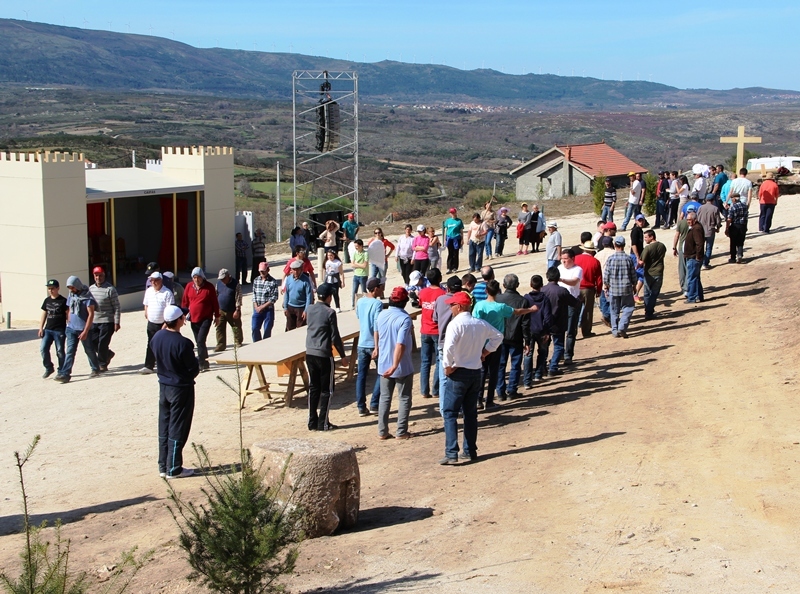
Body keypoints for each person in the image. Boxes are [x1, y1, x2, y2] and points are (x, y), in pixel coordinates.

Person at [439, 291, 503, 465]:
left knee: (450, 412)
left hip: (459, 372)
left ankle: (452, 452)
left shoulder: (455, 325)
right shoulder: (479, 324)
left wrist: (447, 367)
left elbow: (449, 348)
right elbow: (498, 336)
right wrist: (485, 352)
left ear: (459, 307)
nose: (450, 308)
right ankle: (470, 450)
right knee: (470, 414)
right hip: (475, 372)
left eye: (452, 305)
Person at [151, 304, 199, 479]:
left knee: (164, 426)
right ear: (180, 320)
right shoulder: (183, 343)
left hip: (164, 385)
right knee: (178, 427)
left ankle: (164, 465)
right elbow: (193, 368)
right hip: (180, 388)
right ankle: (174, 468)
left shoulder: (157, 337)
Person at [305, 283, 349, 431]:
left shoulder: (309, 309)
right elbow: (335, 336)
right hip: (324, 353)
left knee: (314, 388)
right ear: (329, 297)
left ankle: (312, 421)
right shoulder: (330, 312)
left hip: (310, 352)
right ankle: (323, 423)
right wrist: (343, 355)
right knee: (327, 390)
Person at [376, 286, 415, 440]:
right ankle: (401, 431)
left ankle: (382, 431)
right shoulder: (404, 319)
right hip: (401, 365)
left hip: (384, 363)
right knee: (404, 398)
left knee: (385, 398)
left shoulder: (381, 315)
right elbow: (400, 344)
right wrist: (395, 365)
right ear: (405, 302)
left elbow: (377, 334)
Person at [57, 276, 99, 383]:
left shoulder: (87, 298)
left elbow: (91, 315)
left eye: (73, 287)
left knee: (89, 350)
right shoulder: (71, 295)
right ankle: (65, 373)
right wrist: (69, 322)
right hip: (71, 329)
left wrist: (85, 331)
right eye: (69, 288)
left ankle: (95, 368)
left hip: (84, 329)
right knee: (70, 351)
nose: (71, 290)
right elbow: (69, 309)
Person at [433, 276, 463, 415]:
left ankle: (444, 409)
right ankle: (459, 407)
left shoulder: (440, 299)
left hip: (443, 342)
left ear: (448, 288)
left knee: (444, 378)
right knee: (460, 377)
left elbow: (435, 318)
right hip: (459, 343)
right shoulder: (463, 300)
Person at [495, 274, 528, 400]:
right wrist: (527, 340)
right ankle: (512, 390)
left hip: (500, 337)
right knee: (515, 364)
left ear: (504, 285)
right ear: (517, 285)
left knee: (500, 365)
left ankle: (500, 392)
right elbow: (525, 324)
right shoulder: (523, 301)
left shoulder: (497, 299)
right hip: (516, 336)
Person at [181, 267, 219, 372]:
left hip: (206, 318)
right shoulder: (189, 286)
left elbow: (214, 302)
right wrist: (183, 315)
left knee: (201, 340)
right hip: (193, 318)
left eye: (198, 277)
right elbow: (184, 302)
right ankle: (205, 362)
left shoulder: (209, 287)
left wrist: (217, 316)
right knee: (199, 342)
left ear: (202, 277)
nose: (196, 280)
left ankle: (202, 363)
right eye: (194, 277)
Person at [355, 278, 383, 415]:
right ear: (375, 289)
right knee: (382, 373)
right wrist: (377, 347)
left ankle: (361, 406)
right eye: (381, 286)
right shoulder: (377, 303)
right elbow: (377, 326)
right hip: (373, 343)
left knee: (361, 375)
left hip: (361, 343)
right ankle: (374, 403)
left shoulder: (360, 301)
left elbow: (358, 317)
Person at [540, 267, 576, 376]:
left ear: (547, 277)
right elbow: (574, 302)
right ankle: (553, 367)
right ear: (558, 277)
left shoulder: (542, 290)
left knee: (543, 346)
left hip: (544, 323)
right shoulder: (562, 291)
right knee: (559, 346)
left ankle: (542, 367)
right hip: (558, 323)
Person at [419, 268, 446, 401]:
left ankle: (424, 390)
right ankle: (436, 389)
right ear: (440, 278)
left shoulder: (422, 292)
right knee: (439, 360)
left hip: (425, 329)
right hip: (437, 330)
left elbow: (420, 305)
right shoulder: (442, 293)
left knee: (425, 361)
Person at [522, 275, 554, 385]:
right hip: (542, 330)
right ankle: (538, 375)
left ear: (531, 284)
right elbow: (548, 317)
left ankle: (527, 381)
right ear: (541, 285)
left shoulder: (526, 298)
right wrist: (547, 331)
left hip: (529, 330)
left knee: (528, 354)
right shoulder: (545, 299)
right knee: (542, 352)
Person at [142, 271, 176, 374]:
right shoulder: (149, 291)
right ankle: (149, 365)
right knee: (151, 344)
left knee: (164, 345)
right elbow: (146, 304)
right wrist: (146, 313)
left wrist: (166, 323)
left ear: (160, 280)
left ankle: (167, 366)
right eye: (151, 280)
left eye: (155, 280)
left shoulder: (167, 293)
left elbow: (170, 309)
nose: (153, 282)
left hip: (163, 323)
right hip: (151, 322)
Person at [603, 237, 637, 338]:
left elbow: (606, 275)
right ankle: (622, 326)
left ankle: (614, 330)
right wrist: (634, 285)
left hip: (613, 288)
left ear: (615, 245)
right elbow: (633, 274)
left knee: (614, 310)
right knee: (628, 308)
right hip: (626, 288)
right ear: (624, 245)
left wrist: (606, 285)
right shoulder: (628, 259)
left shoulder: (610, 259)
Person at [88, 266, 121, 372]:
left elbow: (116, 306)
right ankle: (108, 354)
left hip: (107, 321)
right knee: (93, 342)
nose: (98, 277)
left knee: (103, 343)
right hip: (94, 320)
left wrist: (117, 322)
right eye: (96, 275)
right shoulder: (91, 289)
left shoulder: (110, 289)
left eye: (100, 275)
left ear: (104, 275)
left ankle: (102, 364)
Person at [557, 249, 583, 364]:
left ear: (572, 259)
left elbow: (574, 282)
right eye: (562, 259)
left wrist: (560, 279)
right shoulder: (559, 268)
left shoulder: (578, 269)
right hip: (560, 303)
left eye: (565, 259)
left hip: (572, 301)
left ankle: (568, 355)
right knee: (560, 329)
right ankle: (560, 353)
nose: (563, 261)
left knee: (571, 330)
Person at [39, 279, 68, 379]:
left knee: (60, 351)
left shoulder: (63, 301)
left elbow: (68, 315)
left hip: (59, 330)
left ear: (58, 288)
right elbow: (44, 314)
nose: (51, 290)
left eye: (52, 288)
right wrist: (41, 328)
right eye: (49, 289)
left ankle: (62, 370)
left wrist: (69, 327)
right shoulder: (47, 300)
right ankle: (48, 367)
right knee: (43, 349)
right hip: (48, 330)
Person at [574, 241, 602, 338]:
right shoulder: (595, 261)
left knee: (574, 311)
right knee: (587, 311)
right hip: (588, 288)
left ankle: (572, 332)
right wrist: (599, 290)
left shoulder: (575, 259)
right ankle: (586, 332)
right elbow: (598, 278)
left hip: (575, 287)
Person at [214, 268, 243, 352]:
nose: (222, 280)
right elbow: (216, 294)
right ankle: (221, 344)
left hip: (232, 310)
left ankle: (238, 342)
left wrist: (237, 309)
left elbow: (238, 297)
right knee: (220, 328)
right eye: (221, 279)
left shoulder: (235, 284)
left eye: (223, 278)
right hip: (221, 309)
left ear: (228, 276)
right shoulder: (219, 283)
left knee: (236, 327)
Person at [641, 229, 667, 320]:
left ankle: (648, 311)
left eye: (646, 237)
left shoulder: (647, 248)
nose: (645, 239)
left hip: (649, 273)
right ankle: (650, 310)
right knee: (654, 293)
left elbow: (642, 261)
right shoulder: (662, 246)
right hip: (659, 272)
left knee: (647, 293)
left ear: (651, 237)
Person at [251, 261, 280, 341]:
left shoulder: (273, 281)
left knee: (267, 330)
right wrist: (256, 306)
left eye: (263, 271)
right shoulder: (256, 280)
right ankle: (257, 344)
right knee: (254, 328)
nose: (262, 272)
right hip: (257, 309)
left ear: (268, 270)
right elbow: (254, 294)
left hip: (268, 309)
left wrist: (263, 307)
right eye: (260, 271)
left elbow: (274, 297)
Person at [283, 259, 314, 331]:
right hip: (290, 306)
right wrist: (285, 307)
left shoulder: (306, 280)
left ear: (301, 269)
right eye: (294, 270)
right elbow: (286, 293)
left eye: (297, 270)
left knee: (301, 329)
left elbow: (309, 296)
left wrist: (306, 310)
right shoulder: (288, 279)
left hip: (301, 307)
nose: (296, 272)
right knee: (289, 328)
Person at [684, 211, 705, 303]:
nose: (688, 221)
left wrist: (698, 256)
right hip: (693, 257)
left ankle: (691, 297)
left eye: (690, 220)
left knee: (692, 278)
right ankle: (699, 296)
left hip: (693, 257)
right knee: (696, 277)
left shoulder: (696, 229)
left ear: (695, 219)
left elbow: (699, 243)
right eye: (687, 219)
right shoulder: (695, 227)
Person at [697, 195, 722, 269]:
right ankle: (705, 263)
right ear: (713, 200)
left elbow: (697, 218)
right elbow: (718, 220)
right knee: (709, 247)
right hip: (710, 230)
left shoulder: (701, 207)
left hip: (701, 230)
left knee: (700, 247)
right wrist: (718, 228)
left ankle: (699, 262)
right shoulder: (715, 208)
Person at [726, 193, 748, 264]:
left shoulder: (733, 207)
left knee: (733, 242)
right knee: (741, 241)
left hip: (735, 226)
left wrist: (727, 228)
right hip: (743, 226)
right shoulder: (745, 206)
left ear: (734, 199)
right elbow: (746, 218)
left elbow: (729, 219)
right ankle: (740, 255)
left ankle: (733, 258)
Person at [442, 208, 465, 273]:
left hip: (456, 238)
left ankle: (455, 267)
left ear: (456, 212)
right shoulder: (448, 221)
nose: (452, 214)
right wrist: (445, 239)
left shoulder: (459, 221)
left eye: (453, 212)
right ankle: (449, 267)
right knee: (450, 253)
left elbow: (461, 231)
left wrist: (462, 239)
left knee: (455, 253)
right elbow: (446, 230)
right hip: (449, 238)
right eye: (451, 212)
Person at [350, 239, 369, 307]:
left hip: (363, 275)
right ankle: (353, 304)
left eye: (357, 246)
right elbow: (352, 264)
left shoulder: (365, 253)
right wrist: (358, 264)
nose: (356, 247)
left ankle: (366, 303)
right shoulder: (355, 253)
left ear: (361, 246)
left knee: (363, 290)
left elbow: (364, 265)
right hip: (356, 274)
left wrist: (356, 264)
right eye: (355, 246)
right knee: (354, 291)